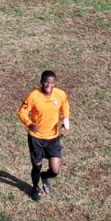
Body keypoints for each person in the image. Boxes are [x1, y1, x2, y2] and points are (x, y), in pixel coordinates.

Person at [16, 70, 69, 202]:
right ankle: (35, 188)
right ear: (41, 82)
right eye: (46, 82)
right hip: (36, 138)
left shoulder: (60, 94)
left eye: (51, 82)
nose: (48, 85)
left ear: (55, 83)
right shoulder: (34, 96)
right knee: (36, 166)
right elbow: (21, 112)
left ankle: (44, 176)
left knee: (55, 170)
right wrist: (29, 124)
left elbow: (65, 106)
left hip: (53, 138)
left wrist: (65, 121)